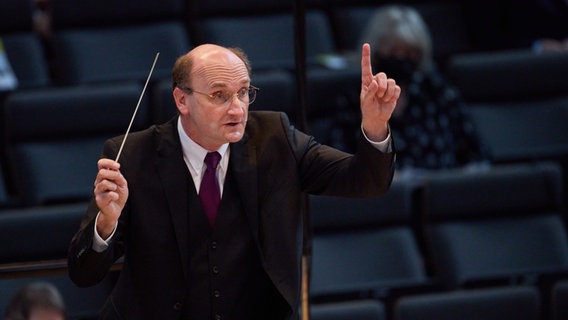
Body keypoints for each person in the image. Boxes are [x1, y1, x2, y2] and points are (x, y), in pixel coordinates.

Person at [67, 43, 400, 319]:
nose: (238, 109)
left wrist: (374, 127)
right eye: (219, 95)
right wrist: (106, 224)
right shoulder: (133, 155)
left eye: (243, 93)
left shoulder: (275, 138)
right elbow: (83, 273)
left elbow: (365, 182)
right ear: (182, 100)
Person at [360, 5, 489, 173]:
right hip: (383, 196)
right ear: (376, 52)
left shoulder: (440, 94)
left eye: (409, 53)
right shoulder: (354, 100)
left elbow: (478, 158)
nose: (400, 58)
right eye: (393, 51)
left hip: (442, 193)